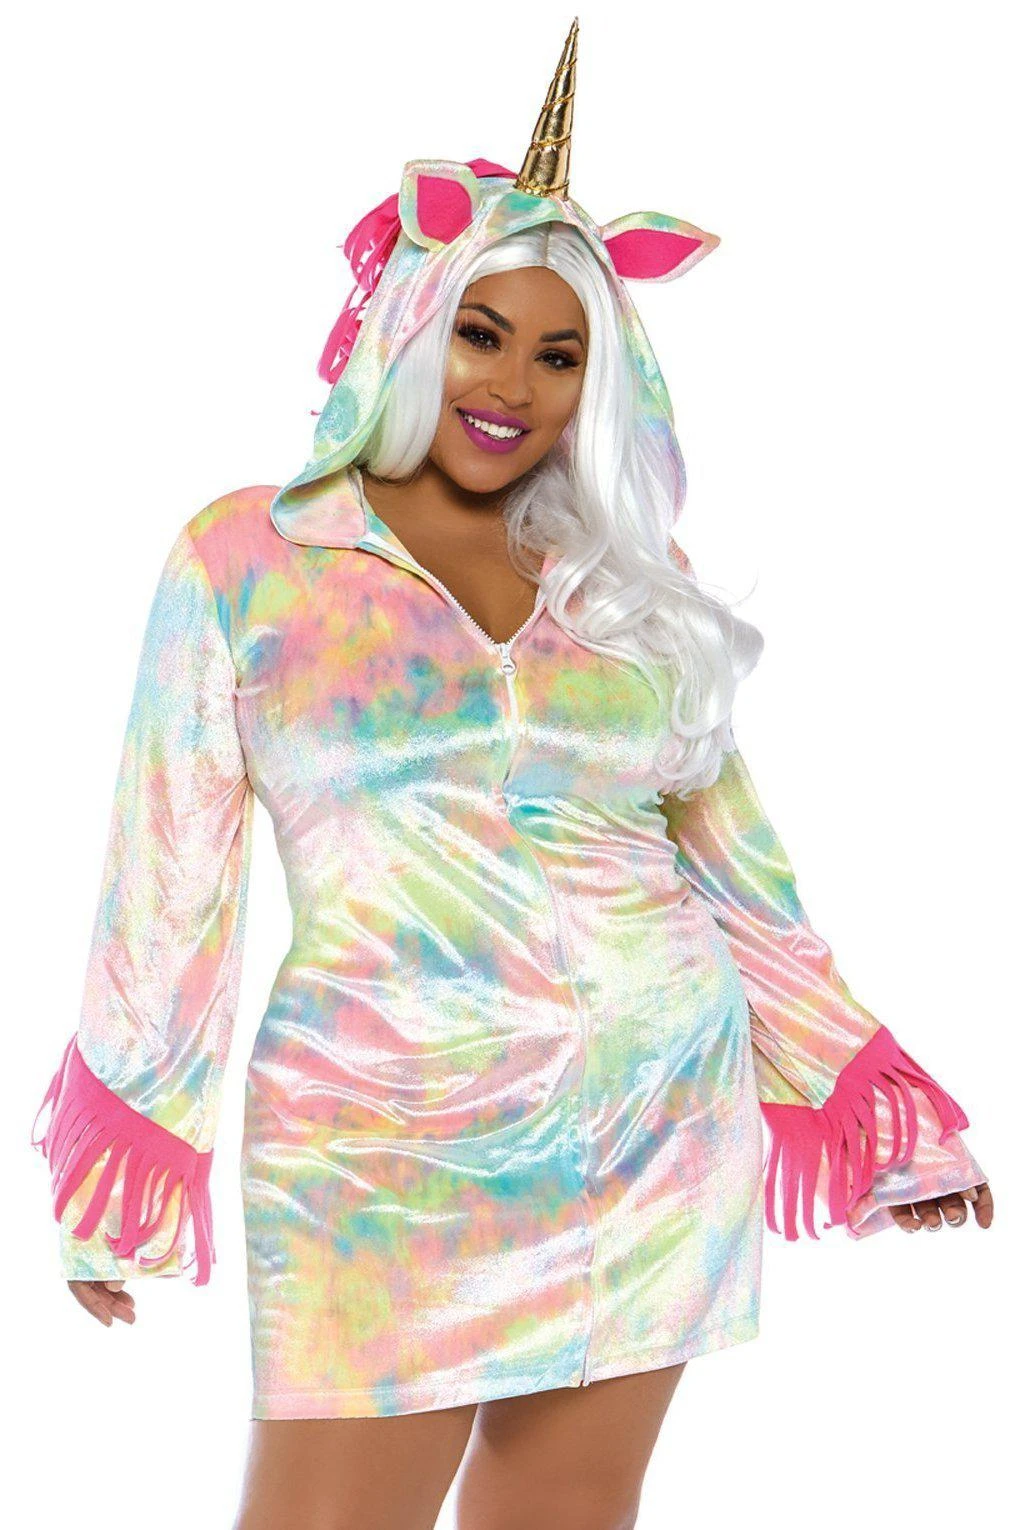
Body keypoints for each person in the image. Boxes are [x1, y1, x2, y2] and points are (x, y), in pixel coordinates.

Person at [30, 20, 992, 1530]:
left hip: (648, 1125)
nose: (515, 385)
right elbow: (168, 881)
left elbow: (742, 877)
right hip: (378, 1154)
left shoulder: (626, 586)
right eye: (483, 333)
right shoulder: (255, 558)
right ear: (416, 324)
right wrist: (130, 1160)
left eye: (561, 355)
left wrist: (877, 1105)